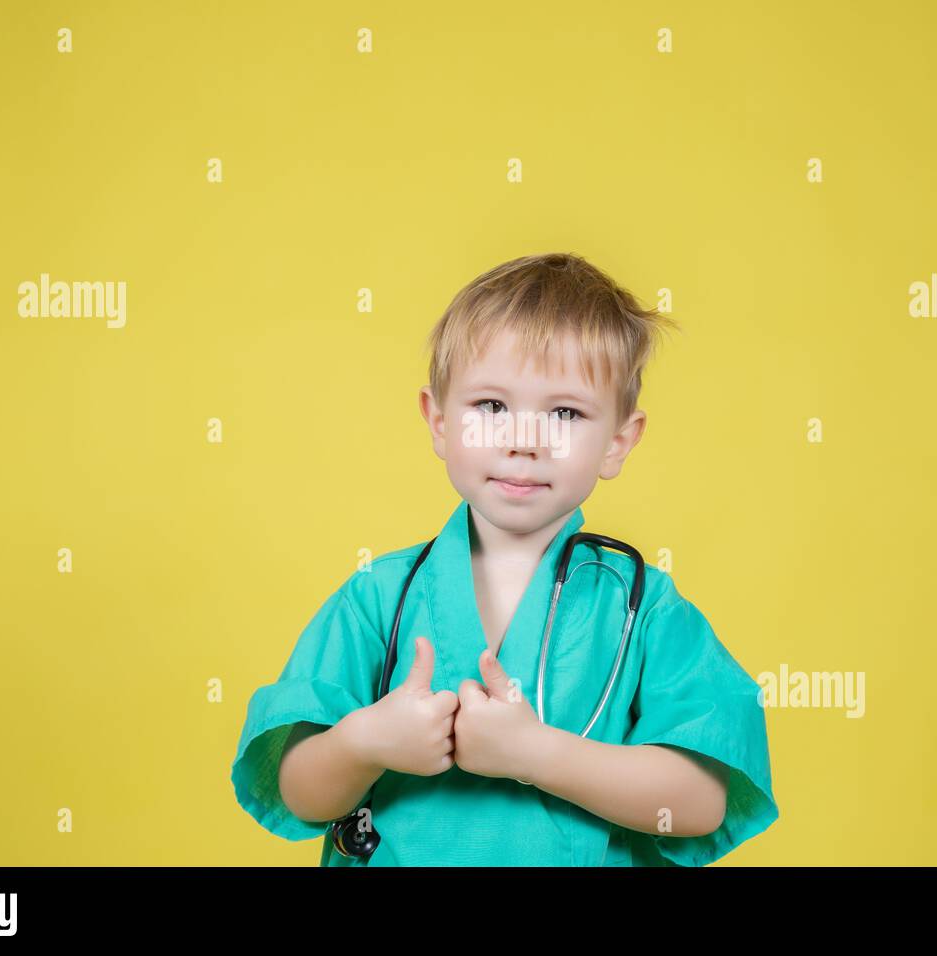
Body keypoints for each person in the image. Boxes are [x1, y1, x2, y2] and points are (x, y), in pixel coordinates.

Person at [230, 252, 779, 865]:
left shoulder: (643, 611)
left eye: (565, 413)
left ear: (618, 442)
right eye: (491, 407)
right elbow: (299, 794)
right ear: (438, 421)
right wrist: (366, 743)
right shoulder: (378, 598)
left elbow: (697, 804)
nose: (523, 440)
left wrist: (535, 755)